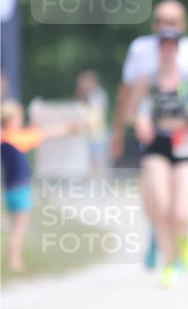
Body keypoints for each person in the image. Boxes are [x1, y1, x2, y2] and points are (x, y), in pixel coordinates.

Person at [111, 0, 188, 268]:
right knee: (157, 202)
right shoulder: (141, 50)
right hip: (154, 137)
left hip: (185, 139)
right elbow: (127, 95)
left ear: (182, 26)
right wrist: (124, 129)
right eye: (160, 21)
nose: (164, 28)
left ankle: (177, 244)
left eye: (171, 23)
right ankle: (162, 246)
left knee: (179, 209)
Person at [127, 29, 188, 289]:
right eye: (162, 46)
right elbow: (133, 109)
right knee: (162, 207)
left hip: (186, 143)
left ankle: (184, 239)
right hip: (158, 144)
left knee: (181, 213)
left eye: (171, 46)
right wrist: (140, 120)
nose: (167, 51)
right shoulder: (148, 80)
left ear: (177, 50)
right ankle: (169, 263)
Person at [1, 100, 80, 272]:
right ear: (13, 120)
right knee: (19, 228)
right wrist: (68, 128)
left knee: (15, 226)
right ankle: (14, 261)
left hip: (8, 190)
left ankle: (13, 259)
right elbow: (45, 133)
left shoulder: (4, 138)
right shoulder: (17, 137)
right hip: (21, 189)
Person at [75, 70, 108, 171]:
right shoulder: (83, 96)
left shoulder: (97, 94)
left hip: (96, 135)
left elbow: (95, 114)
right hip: (86, 136)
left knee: (97, 164)